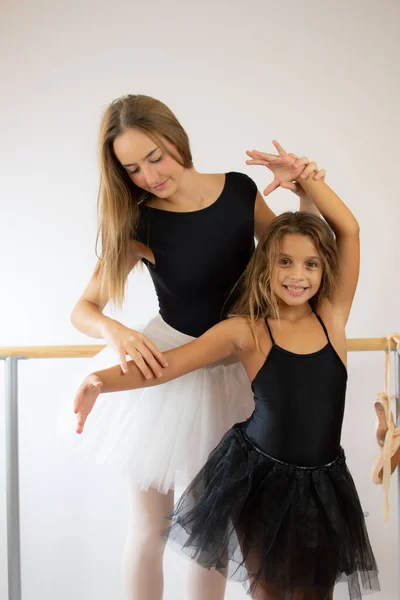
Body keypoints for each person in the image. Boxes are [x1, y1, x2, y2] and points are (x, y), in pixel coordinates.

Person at [73, 141, 379, 600]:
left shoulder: (331, 317)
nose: (298, 274)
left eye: (312, 265)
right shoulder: (245, 332)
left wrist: (308, 181)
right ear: (264, 267)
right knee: (257, 582)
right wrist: (100, 379)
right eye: (132, 168)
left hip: (324, 481)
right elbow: (167, 366)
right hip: (258, 472)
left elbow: (336, 233)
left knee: (312, 588)